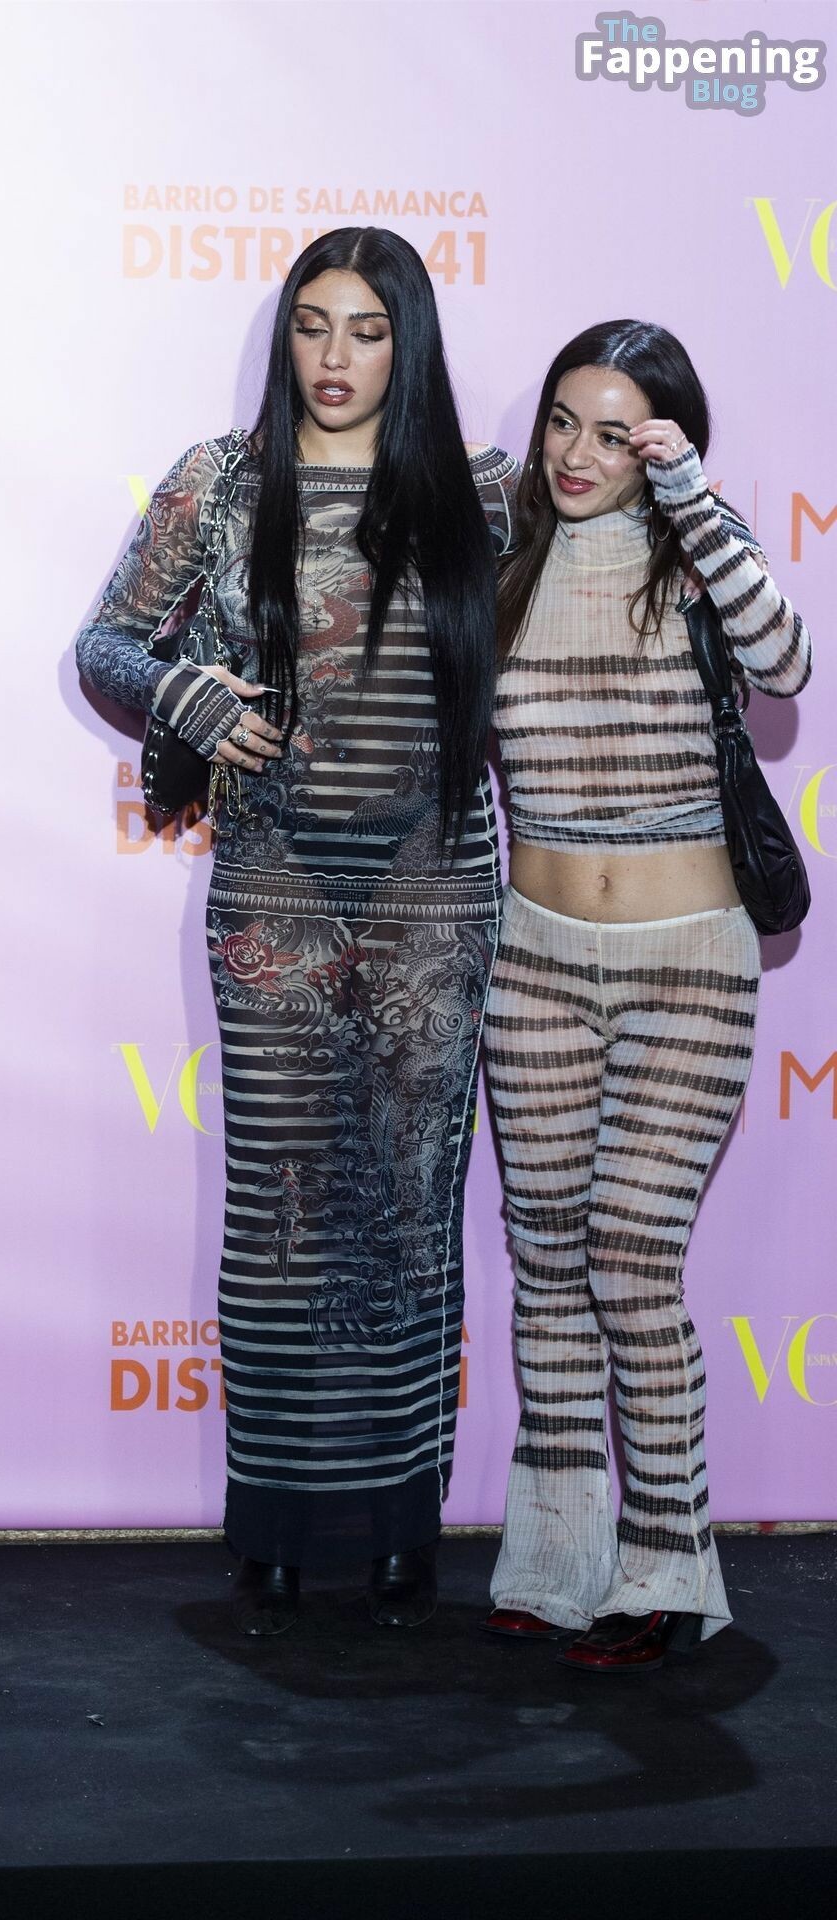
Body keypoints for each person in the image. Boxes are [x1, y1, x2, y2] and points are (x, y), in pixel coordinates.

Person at [77, 228, 518, 1635]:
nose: (336, 358)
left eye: (367, 331)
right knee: (279, 1211)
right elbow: (107, 642)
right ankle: (270, 1523)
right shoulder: (221, 482)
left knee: (409, 1207)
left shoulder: (483, 497)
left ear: (410, 345)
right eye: (313, 327)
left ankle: (400, 1529)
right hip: (272, 894)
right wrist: (189, 696)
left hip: (436, 894)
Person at [481, 321, 811, 1672]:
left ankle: (669, 1567)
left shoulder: (697, 557)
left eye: (614, 433)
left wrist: (691, 494)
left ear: (662, 443)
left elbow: (786, 663)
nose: (577, 453)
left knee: (628, 1256)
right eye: (564, 422)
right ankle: (557, 1561)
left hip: (688, 966)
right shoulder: (506, 563)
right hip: (535, 960)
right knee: (548, 1261)